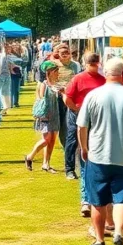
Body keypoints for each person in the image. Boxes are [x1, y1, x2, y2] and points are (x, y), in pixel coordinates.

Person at [77, 57, 123, 245]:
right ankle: (118, 233)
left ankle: (100, 241)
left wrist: (84, 148)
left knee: (97, 201)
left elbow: (82, 126)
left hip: (98, 156)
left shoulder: (93, 95)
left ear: (105, 73)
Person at [65, 52, 106, 218]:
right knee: (83, 157)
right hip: (81, 120)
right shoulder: (78, 78)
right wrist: (77, 110)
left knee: (94, 161)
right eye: (92, 64)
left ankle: (92, 199)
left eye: (96, 63)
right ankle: (85, 200)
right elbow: (67, 98)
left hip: (98, 123)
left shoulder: (103, 80)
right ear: (86, 64)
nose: (95, 66)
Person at [52, 43, 82, 180]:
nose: (65, 55)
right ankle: (66, 147)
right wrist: (61, 89)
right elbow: (51, 80)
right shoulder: (54, 65)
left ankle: (72, 154)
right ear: (58, 54)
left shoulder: (75, 65)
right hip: (58, 97)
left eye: (67, 53)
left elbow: (78, 79)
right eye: (62, 53)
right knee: (62, 125)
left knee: (71, 127)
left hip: (72, 98)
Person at [25, 61, 62, 172]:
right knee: (46, 140)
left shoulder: (57, 84)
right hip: (46, 115)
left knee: (52, 140)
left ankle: (46, 163)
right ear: (50, 72)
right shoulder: (43, 85)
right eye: (56, 71)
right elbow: (41, 100)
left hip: (55, 114)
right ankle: (30, 156)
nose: (58, 73)